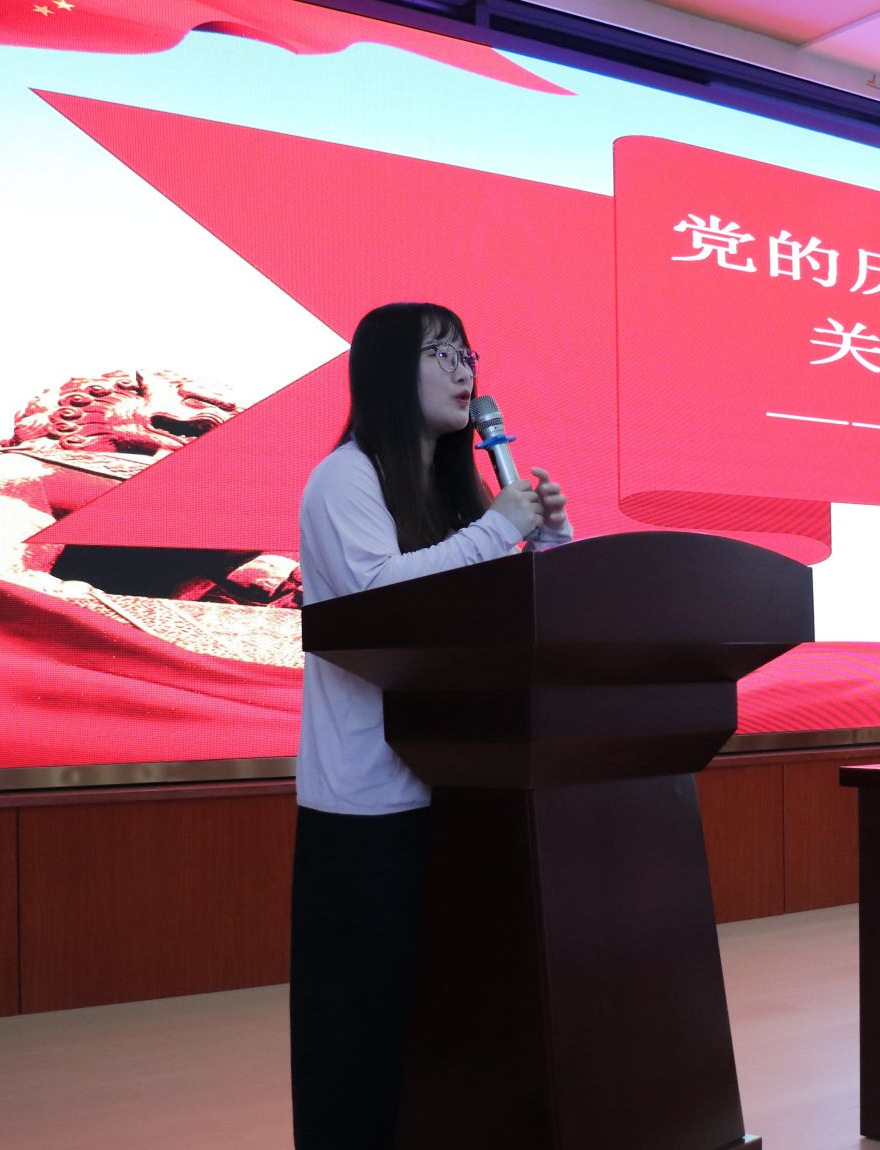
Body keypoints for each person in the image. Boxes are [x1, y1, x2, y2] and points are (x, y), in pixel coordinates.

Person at [291, 302, 570, 1149]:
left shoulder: (459, 492)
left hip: (468, 791)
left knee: (450, 1028)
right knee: (363, 1033)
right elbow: (381, 600)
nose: (463, 372)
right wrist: (499, 530)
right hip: (370, 803)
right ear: (386, 370)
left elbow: (518, 617)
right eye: (440, 354)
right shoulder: (344, 477)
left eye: (466, 355)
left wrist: (550, 541)